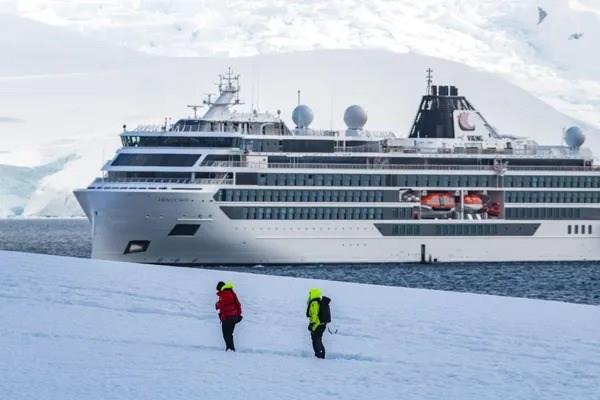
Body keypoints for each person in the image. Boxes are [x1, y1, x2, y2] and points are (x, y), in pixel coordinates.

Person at [215, 281, 243, 351]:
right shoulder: (231, 292)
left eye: (218, 290)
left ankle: (230, 349)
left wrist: (217, 305)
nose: (218, 291)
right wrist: (239, 314)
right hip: (233, 316)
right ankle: (230, 348)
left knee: (226, 334)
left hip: (227, 317)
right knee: (229, 334)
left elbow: (222, 305)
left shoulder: (224, 294)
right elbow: (237, 304)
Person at [306, 288, 330, 359]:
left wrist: (312, 324)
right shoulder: (318, 302)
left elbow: (314, 315)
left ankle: (319, 355)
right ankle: (320, 354)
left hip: (317, 325)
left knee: (316, 340)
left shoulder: (314, 303)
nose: (309, 296)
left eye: (310, 294)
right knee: (318, 340)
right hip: (322, 324)